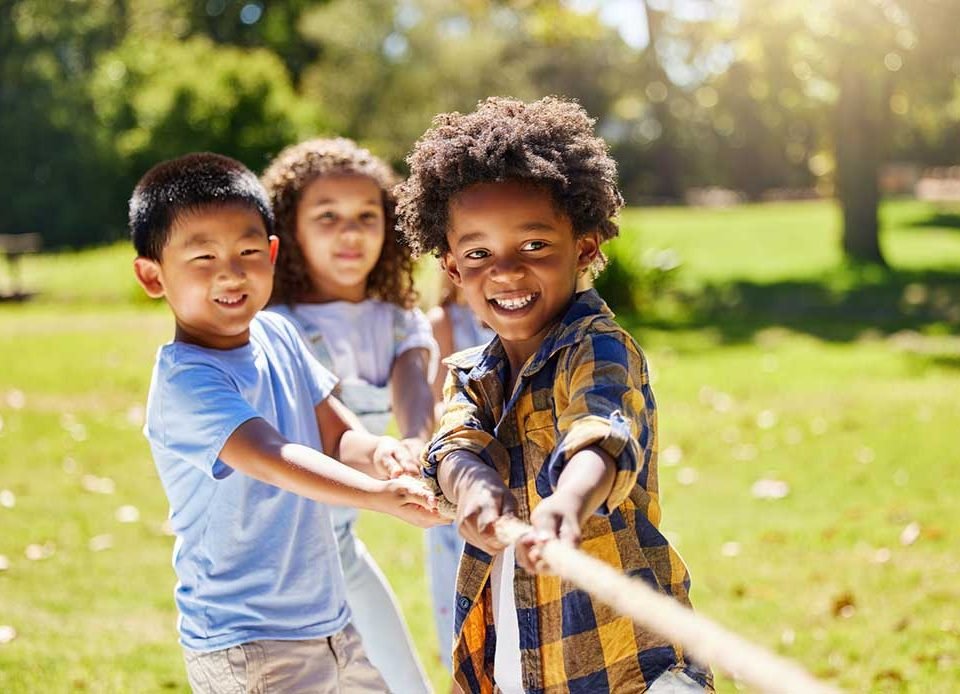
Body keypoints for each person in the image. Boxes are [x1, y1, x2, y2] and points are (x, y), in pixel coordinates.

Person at [396, 97, 714, 694]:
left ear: (586, 248)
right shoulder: (470, 372)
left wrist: (567, 501)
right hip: (520, 655)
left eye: (535, 246)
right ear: (452, 268)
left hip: (626, 663)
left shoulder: (599, 346)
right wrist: (472, 485)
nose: (508, 272)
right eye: (479, 254)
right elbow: (453, 445)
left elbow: (601, 430)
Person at [129, 152, 439, 693]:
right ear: (152, 276)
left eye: (248, 250)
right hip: (246, 640)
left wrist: (382, 453)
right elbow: (274, 457)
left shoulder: (279, 336)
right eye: (202, 257)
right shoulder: (186, 381)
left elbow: (337, 433)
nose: (230, 271)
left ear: (272, 254)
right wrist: (375, 494)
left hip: (327, 620)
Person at [261, 138, 437, 694]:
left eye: (367, 215)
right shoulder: (270, 323)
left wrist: (412, 441)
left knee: (405, 682)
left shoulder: (396, 321)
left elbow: (414, 388)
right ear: (290, 230)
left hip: (339, 550)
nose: (351, 232)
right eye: (327, 216)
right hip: (270, 565)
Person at [426, 275, 493, 674]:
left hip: (513, 494)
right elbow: (436, 409)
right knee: (466, 646)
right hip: (460, 490)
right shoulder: (446, 323)